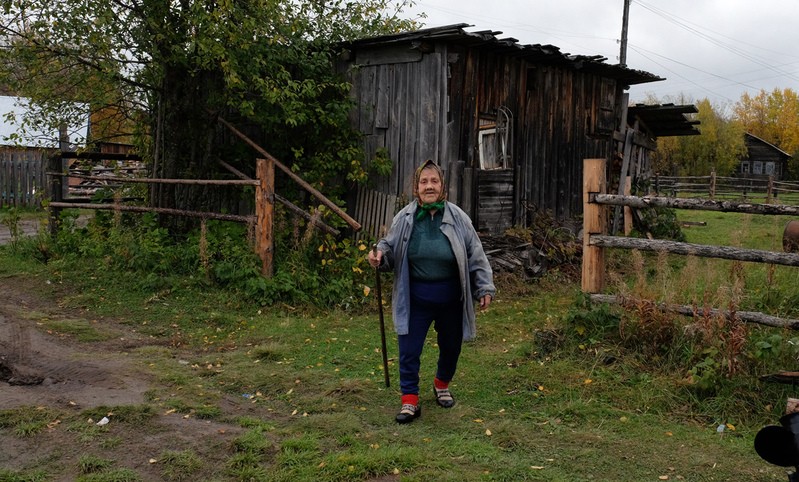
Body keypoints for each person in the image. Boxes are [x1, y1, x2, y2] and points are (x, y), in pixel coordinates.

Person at [368, 159, 495, 424]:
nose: (429, 186)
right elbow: (389, 248)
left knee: (451, 346)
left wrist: (484, 286)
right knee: (409, 348)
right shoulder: (404, 218)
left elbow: (476, 253)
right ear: (416, 187)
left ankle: (441, 384)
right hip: (415, 297)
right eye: (424, 182)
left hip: (451, 297)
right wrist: (380, 256)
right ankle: (410, 400)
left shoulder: (458, 217)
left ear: (442, 186)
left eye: (434, 181)